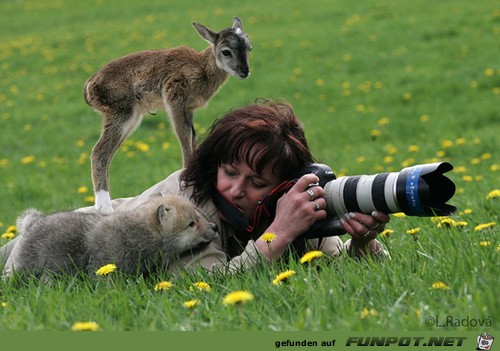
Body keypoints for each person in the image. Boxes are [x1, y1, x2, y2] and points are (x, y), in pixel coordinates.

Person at [0, 99, 389, 274]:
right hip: (59, 241)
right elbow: (213, 286)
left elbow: (344, 267)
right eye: (229, 172)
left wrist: (362, 241)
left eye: (256, 182)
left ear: (283, 187)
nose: (236, 189)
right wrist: (279, 234)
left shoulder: (292, 203)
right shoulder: (187, 207)